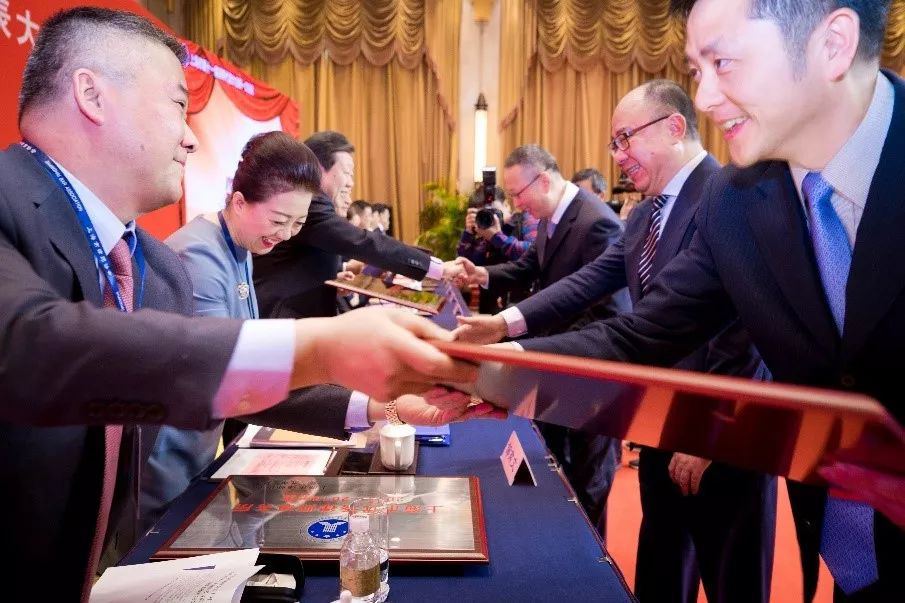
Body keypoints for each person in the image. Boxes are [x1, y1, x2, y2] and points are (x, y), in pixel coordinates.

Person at [0, 9, 476, 601]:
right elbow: (30, 346)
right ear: (91, 94)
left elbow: (217, 383)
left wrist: (377, 400)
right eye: (178, 104)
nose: (191, 136)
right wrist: (322, 347)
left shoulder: (155, 267)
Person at [509, 0, 904, 599]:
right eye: (698, 70)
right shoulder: (738, 197)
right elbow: (642, 332)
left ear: (833, 43)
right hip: (844, 547)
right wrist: (492, 368)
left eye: (724, 63)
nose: (706, 98)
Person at [457, 80, 777, 602]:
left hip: (720, 432)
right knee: (660, 574)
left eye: (626, 138)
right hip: (657, 420)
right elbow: (587, 281)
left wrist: (708, 434)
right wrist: (503, 324)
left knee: (732, 582)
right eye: (614, 142)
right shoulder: (646, 213)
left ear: (674, 127)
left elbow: (746, 329)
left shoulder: (730, 196)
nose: (618, 155)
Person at [141, 132, 497, 537]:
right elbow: (234, 381)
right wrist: (383, 404)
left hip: (199, 448)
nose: (286, 235)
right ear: (238, 201)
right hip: (167, 462)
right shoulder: (200, 258)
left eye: (297, 224)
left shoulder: (239, 244)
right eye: (279, 220)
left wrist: (387, 407)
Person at [450, 144, 629, 532]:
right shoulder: (553, 215)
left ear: (544, 180)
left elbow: (611, 316)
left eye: (518, 193)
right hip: (555, 370)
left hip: (591, 381)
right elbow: (531, 266)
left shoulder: (596, 223)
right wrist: (484, 275)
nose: (514, 205)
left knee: (588, 482)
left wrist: (531, 345)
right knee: (557, 469)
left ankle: (589, 560)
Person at [253, 131, 461, 319]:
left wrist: (333, 280)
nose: (351, 182)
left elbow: (297, 266)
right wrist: (437, 268)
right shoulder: (310, 203)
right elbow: (362, 242)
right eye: (347, 173)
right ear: (319, 169)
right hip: (282, 321)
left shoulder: (310, 201)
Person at [456, 186, 539, 312]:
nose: (490, 218)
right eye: (484, 214)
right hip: (492, 309)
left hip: (523, 307)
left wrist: (497, 237)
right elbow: (467, 265)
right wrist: (468, 233)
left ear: (506, 205)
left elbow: (534, 252)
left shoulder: (525, 220)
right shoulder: (484, 234)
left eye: (493, 211)